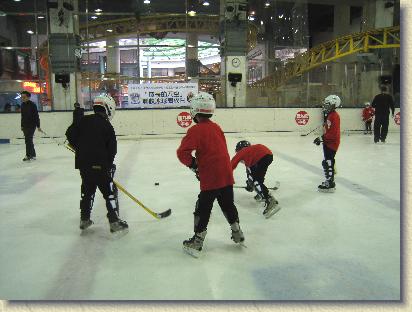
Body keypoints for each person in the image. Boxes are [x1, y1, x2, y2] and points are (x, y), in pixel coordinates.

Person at [177, 92, 244, 258]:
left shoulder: (195, 130)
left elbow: (182, 153)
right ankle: (237, 232)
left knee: (203, 207)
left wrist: (194, 165)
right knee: (227, 204)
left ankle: (197, 240)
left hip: (211, 177)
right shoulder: (216, 127)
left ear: (194, 111)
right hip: (226, 173)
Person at [65, 94, 128, 234]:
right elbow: (112, 149)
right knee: (110, 193)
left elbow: (70, 133)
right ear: (108, 108)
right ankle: (114, 221)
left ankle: (84, 219)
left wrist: (79, 148)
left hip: (83, 165)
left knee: (87, 191)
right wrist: (108, 165)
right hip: (100, 166)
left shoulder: (83, 120)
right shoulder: (107, 126)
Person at [231, 141, 280, 219]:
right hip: (268, 155)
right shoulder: (251, 153)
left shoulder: (241, 153)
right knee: (257, 179)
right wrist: (250, 184)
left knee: (256, 182)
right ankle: (261, 193)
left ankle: (271, 201)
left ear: (239, 150)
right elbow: (251, 174)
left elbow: (230, 166)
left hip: (263, 156)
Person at [313, 95, 341, 193]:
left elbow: (333, 134)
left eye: (327, 104)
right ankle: (329, 180)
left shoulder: (334, 116)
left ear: (334, 105)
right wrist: (322, 139)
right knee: (327, 161)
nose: (325, 106)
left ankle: (330, 184)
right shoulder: (329, 115)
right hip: (327, 142)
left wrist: (322, 138)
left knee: (329, 162)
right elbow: (328, 130)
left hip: (332, 143)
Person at [20, 91, 41, 161]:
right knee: (28, 140)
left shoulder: (33, 105)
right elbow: (22, 116)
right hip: (25, 125)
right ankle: (33, 154)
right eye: (22, 97)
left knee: (28, 139)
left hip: (32, 125)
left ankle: (28, 155)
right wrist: (22, 125)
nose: (22, 98)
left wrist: (38, 126)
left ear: (28, 97)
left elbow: (36, 116)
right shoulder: (22, 105)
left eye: (24, 97)